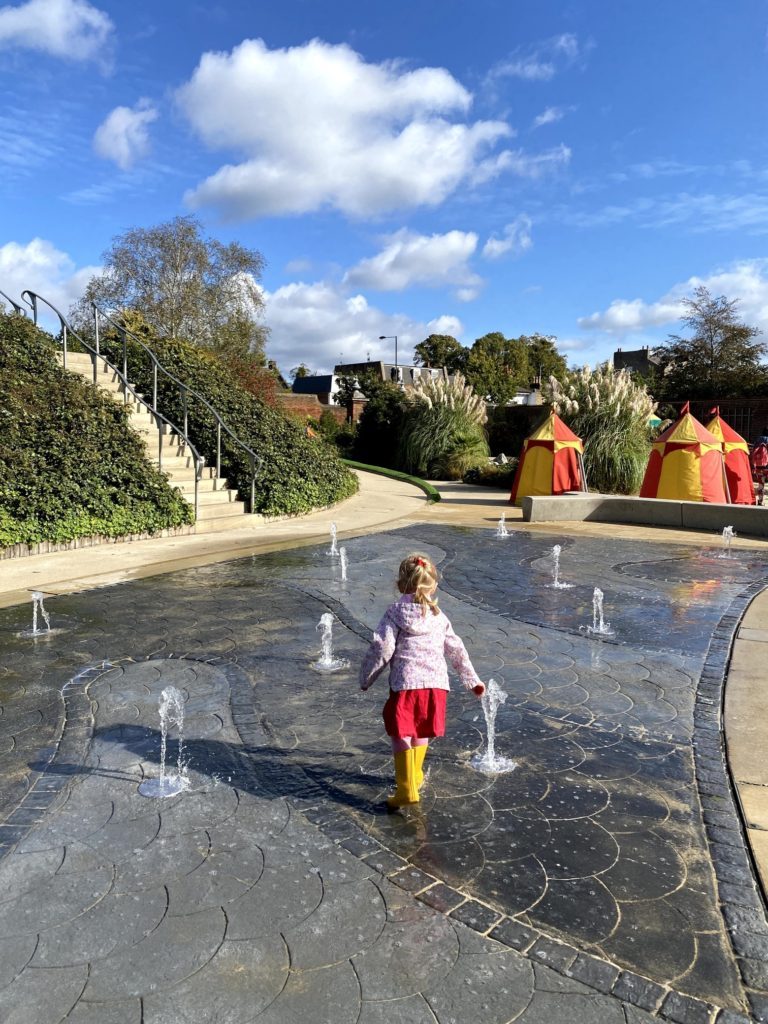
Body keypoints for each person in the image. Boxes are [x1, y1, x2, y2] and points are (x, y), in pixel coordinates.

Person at [359, 553, 485, 809]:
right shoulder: (439, 617)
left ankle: (406, 790)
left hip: (406, 683)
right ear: (434, 586)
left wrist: (367, 677)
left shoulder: (395, 612)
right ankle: (414, 777)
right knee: (421, 729)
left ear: (399, 585)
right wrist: (472, 680)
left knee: (399, 732)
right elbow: (456, 648)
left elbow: (383, 647)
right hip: (436, 684)